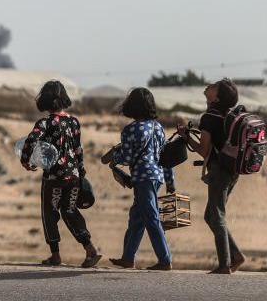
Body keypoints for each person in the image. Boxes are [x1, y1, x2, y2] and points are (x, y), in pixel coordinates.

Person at [20, 80, 101, 268]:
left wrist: (26, 160)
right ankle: (90, 249)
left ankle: (55, 255)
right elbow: (78, 149)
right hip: (73, 176)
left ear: (45, 100)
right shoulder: (74, 122)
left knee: (49, 212)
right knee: (70, 210)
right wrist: (80, 171)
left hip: (53, 178)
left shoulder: (45, 123)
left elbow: (31, 140)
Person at [180, 78, 246, 274]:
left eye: (214, 86)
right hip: (232, 170)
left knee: (216, 216)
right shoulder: (227, 114)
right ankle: (236, 255)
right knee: (211, 216)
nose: (209, 85)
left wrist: (185, 137)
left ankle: (225, 264)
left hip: (219, 172)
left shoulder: (210, 117)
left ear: (217, 97)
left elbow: (203, 150)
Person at [104, 87, 173, 271]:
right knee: (137, 217)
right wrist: (170, 180)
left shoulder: (130, 129)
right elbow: (165, 156)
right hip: (157, 177)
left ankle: (165, 259)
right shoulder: (158, 127)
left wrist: (113, 159)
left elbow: (126, 158)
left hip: (142, 178)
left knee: (151, 217)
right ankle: (128, 258)